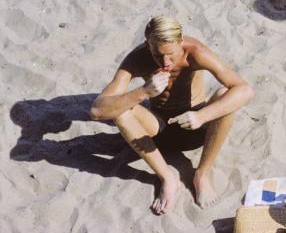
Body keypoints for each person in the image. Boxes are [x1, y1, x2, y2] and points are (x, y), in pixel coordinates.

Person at [89, 16, 254, 214]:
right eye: (158, 55)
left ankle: (202, 173)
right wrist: (143, 92)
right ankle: (167, 178)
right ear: (147, 45)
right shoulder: (137, 59)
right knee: (122, 113)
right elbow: (97, 110)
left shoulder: (196, 52)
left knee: (225, 95)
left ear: (181, 41)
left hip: (195, 126)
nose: (166, 62)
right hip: (157, 130)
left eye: (171, 54)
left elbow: (245, 89)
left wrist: (202, 115)